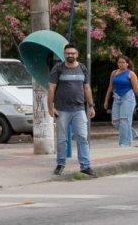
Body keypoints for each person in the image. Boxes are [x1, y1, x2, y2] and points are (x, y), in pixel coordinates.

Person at [46, 44, 95, 177]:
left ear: (77, 54)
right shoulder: (58, 68)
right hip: (62, 110)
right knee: (62, 139)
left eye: (72, 53)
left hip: (79, 110)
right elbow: (51, 88)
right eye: (67, 53)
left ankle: (85, 166)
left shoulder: (82, 68)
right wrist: (51, 107)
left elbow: (87, 88)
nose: (70, 55)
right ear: (64, 54)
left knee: (83, 138)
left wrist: (91, 105)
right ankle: (60, 164)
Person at [99, 53, 138, 147]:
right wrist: (106, 100)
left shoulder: (131, 74)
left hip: (127, 98)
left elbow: (137, 89)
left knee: (124, 121)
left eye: (123, 62)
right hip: (116, 98)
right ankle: (131, 133)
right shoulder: (114, 73)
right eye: (119, 62)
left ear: (127, 64)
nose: (120, 64)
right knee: (115, 122)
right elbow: (110, 87)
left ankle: (125, 144)